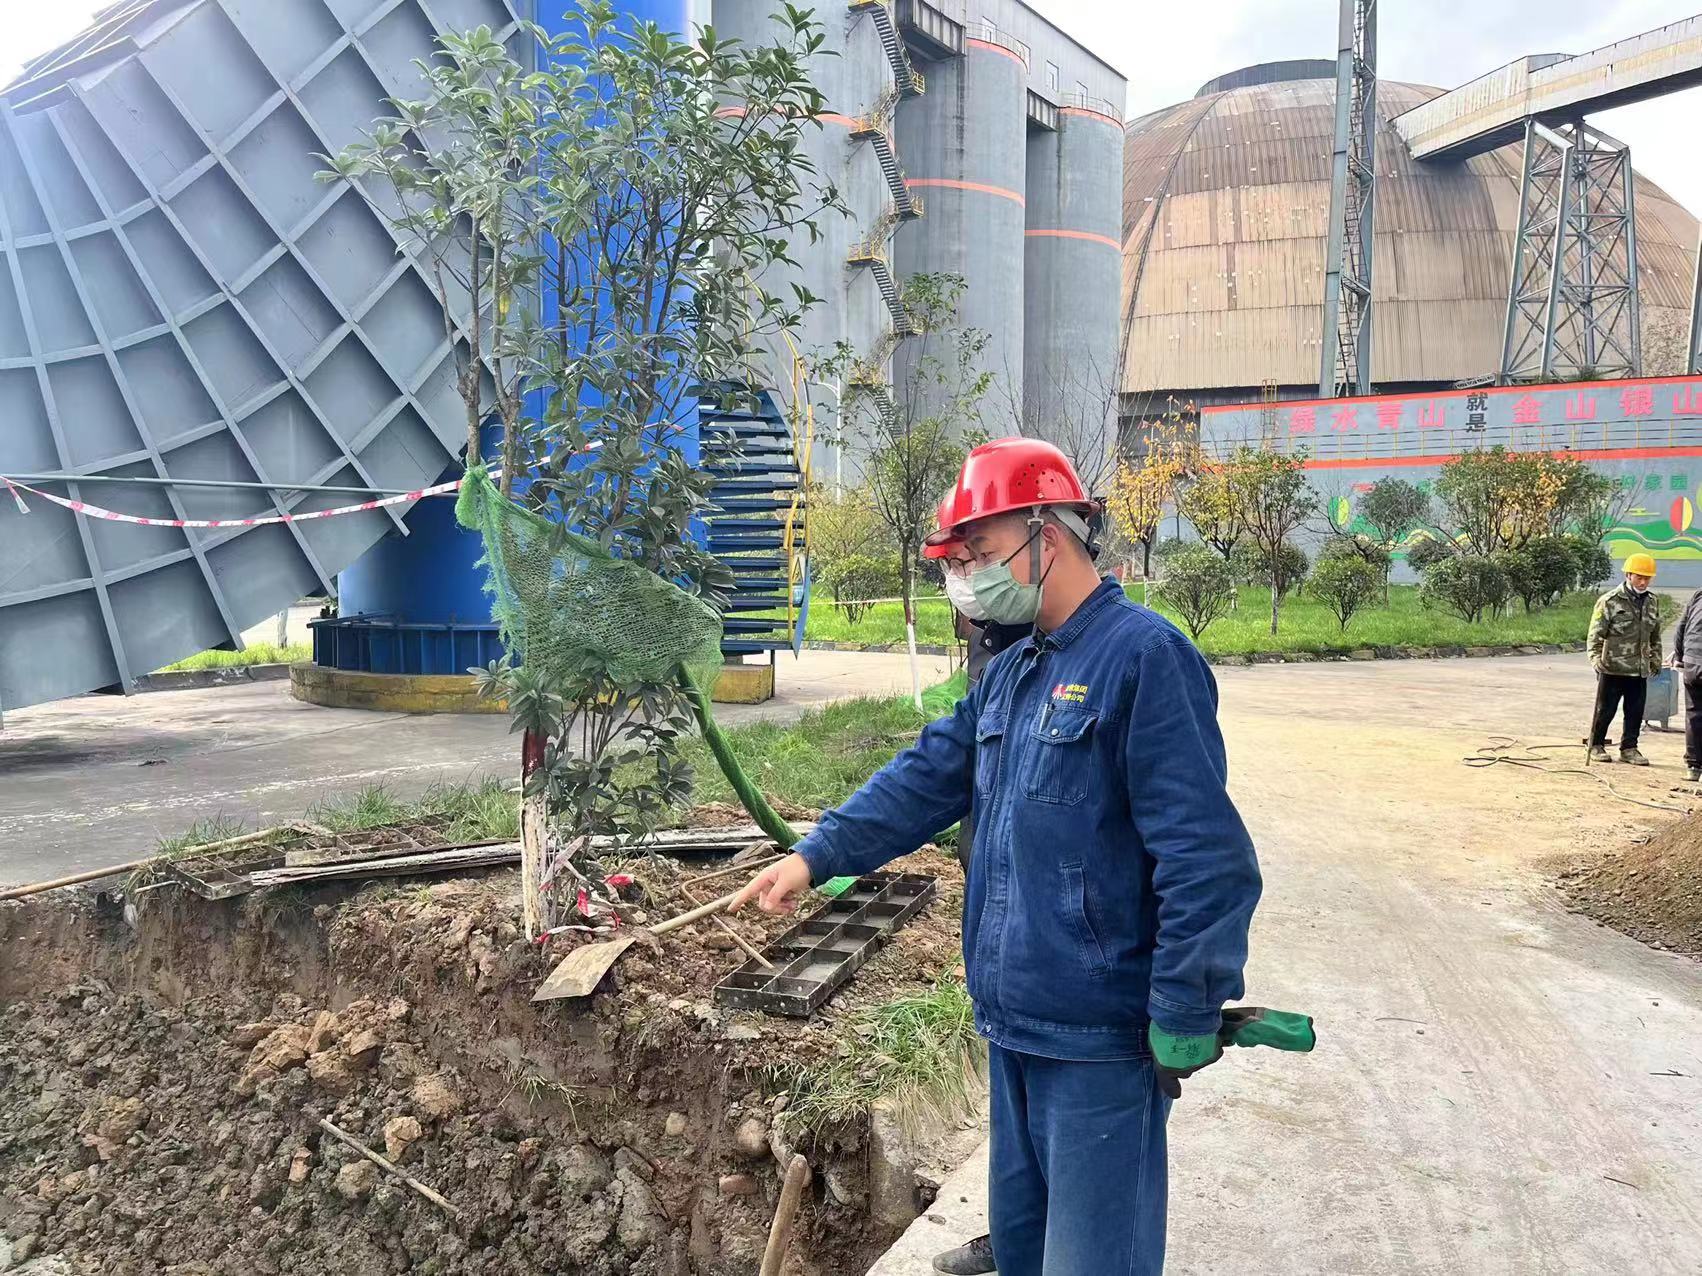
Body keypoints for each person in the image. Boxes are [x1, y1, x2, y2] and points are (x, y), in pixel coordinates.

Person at [732, 438, 1262, 1276]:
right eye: (962, 558)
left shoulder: (1144, 659)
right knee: (1021, 1252)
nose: (969, 575)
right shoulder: (1013, 671)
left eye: (980, 552)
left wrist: (1184, 1008)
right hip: (1011, 1027)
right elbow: (925, 777)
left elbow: (1206, 858)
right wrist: (816, 854)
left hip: (1099, 1042)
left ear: (1048, 535)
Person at [1587, 552, 1663, 766]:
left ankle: (1629, 748)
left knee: (1635, 711)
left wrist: (1655, 659)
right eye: (1639, 577)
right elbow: (1595, 635)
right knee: (1605, 709)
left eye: (1647, 578)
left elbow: (1655, 635)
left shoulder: (1652, 602)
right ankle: (1596, 744)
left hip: (1639, 668)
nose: (1643, 582)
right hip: (1612, 666)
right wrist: (1596, 660)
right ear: (1628, 575)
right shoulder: (1609, 601)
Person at [1668, 577, 1702, 782]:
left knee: (1694, 715)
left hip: (1692, 664)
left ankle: (1693, 766)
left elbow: (1681, 628)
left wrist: (1680, 658)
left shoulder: (1698, 594)